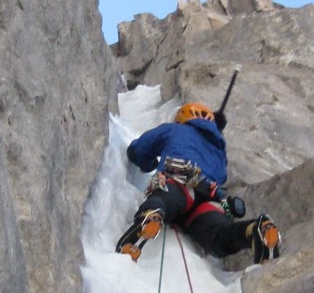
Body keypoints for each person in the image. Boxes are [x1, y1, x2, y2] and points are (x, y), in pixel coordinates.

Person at [116, 100, 282, 264]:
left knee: (163, 202)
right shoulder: (219, 149)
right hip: (210, 197)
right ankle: (252, 230)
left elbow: (141, 148)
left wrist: (148, 164)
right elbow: (222, 177)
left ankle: (151, 215)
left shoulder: (175, 129)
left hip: (180, 181)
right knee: (220, 236)